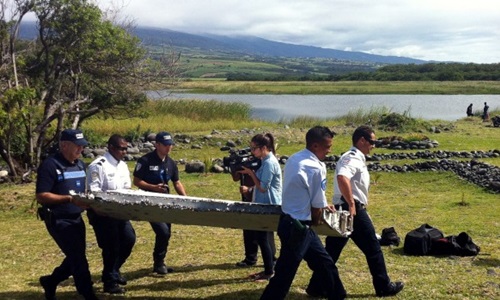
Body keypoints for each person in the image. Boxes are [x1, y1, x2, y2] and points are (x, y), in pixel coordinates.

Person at [307, 125, 404, 298]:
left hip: (345, 207)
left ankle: (316, 286)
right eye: (372, 142)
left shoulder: (356, 157)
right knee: (373, 249)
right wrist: (352, 203)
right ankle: (384, 286)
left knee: (332, 251)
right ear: (361, 140)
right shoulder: (352, 158)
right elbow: (342, 177)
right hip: (352, 209)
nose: (373, 145)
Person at [261, 126, 345, 300]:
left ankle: (338, 295)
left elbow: (303, 191)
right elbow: (316, 206)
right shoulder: (316, 167)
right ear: (315, 146)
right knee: (284, 274)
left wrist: (321, 204)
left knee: (325, 263)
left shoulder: (294, 158)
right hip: (300, 227)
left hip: (287, 221)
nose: (329, 151)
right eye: (327, 146)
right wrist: (317, 218)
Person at [36, 129, 99, 300]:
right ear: (64, 145)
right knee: (78, 259)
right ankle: (87, 293)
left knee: (75, 256)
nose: (81, 149)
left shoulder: (80, 164)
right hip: (58, 219)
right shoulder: (51, 165)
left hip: (77, 218)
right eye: (77, 146)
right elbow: (41, 195)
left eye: (82, 146)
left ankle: (51, 281)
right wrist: (69, 199)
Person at [86, 134, 136, 294]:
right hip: (103, 214)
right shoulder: (98, 166)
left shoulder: (122, 165)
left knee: (129, 240)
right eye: (122, 148)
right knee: (111, 247)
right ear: (111, 147)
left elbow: (126, 188)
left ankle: (113, 271)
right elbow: (94, 192)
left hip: (120, 212)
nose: (124, 152)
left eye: (126, 148)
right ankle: (109, 282)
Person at [133, 131, 186, 274]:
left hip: (166, 202)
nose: (169, 148)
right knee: (162, 231)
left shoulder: (171, 163)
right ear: (157, 145)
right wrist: (153, 187)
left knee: (167, 232)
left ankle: (160, 262)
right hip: (150, 202)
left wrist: (186, 199)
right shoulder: (145, 161)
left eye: (171, 145)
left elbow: (177, 182)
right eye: (166, 145)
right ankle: (158, 262)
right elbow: (136, 181)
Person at [237, 133, 282, 282]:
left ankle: (270, 271)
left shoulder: (270, 162)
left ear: (264, 148)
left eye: (254, 148)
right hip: (262, 203)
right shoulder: (264, 160)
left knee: (263, 238)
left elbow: (263, 187)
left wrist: (251, 173)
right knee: (261, 237)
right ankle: (268, 269)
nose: (252, 152)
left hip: (269, 203)